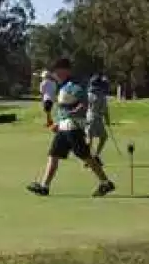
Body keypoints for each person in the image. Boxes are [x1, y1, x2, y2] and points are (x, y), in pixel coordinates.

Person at [27, 58, 114, 197]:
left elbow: (84, 103)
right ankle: (44, 186)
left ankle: (106, 182)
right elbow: (62, 107)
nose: (56, 74)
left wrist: (74, 112)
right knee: (53, 155)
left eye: (58, 71)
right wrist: (58, 122)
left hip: (73, 127)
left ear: (66, 70)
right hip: (64, 127)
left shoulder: (75, 85)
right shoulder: (63, 85)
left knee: (86, 157)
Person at [86, 73, 111, 165]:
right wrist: (107, 120)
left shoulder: (88, 94)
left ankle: (90, 158)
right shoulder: (101, 96)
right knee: (102, 137)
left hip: (88, 117)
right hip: (96, 118)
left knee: (90, 138)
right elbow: (105, 110)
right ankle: (93, 157)